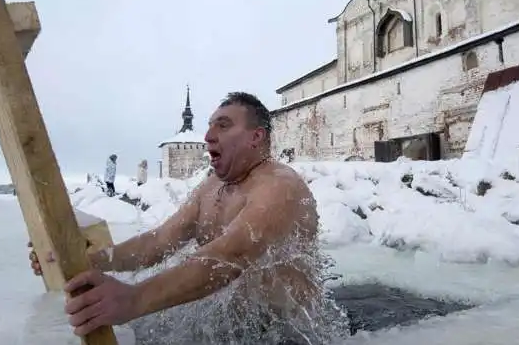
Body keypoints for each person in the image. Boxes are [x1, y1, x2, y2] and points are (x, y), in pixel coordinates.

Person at [28, 92, 330, 342]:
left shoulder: (278, 186)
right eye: (210, 126)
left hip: (287, 334)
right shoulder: (213, 185)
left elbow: (230, 256)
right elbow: (160, 240)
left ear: (256, 137)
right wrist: (89, 261)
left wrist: (133, 300)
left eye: (223, 126)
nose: (209, 135)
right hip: (234, 330)